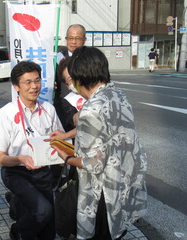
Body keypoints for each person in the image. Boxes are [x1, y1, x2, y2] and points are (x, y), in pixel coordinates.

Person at [51, 46, 147, 240]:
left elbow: (93, 164)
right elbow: (107, 132)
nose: (72, 86)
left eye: (72, 81)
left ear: (80, 78)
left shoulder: (90, 109)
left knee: (102, 232)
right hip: (125, 179)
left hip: (104, 191)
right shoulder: (117, 95)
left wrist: (67, 157)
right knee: (117, 231)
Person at [0, 61, 64, 240]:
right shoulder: (5, 114)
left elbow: (60, 142)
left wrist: (64, 152)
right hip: (16, 172)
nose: (34, 86)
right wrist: (21, 159)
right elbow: (0, 158)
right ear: (16, 86)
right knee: (42, 211)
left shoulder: (48, 109)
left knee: (49, 234)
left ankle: (20, 213)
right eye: (27, 82)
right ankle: (18, 230)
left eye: (37, 81)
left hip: (43, 172)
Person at [54, 24, 86, 131]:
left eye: (78, 38)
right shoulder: (57, 58)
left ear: (84, 40)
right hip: (63, 105)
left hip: (85, 104)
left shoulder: (91, 58)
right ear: (66, 39)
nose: (73, 42)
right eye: (70, 38)